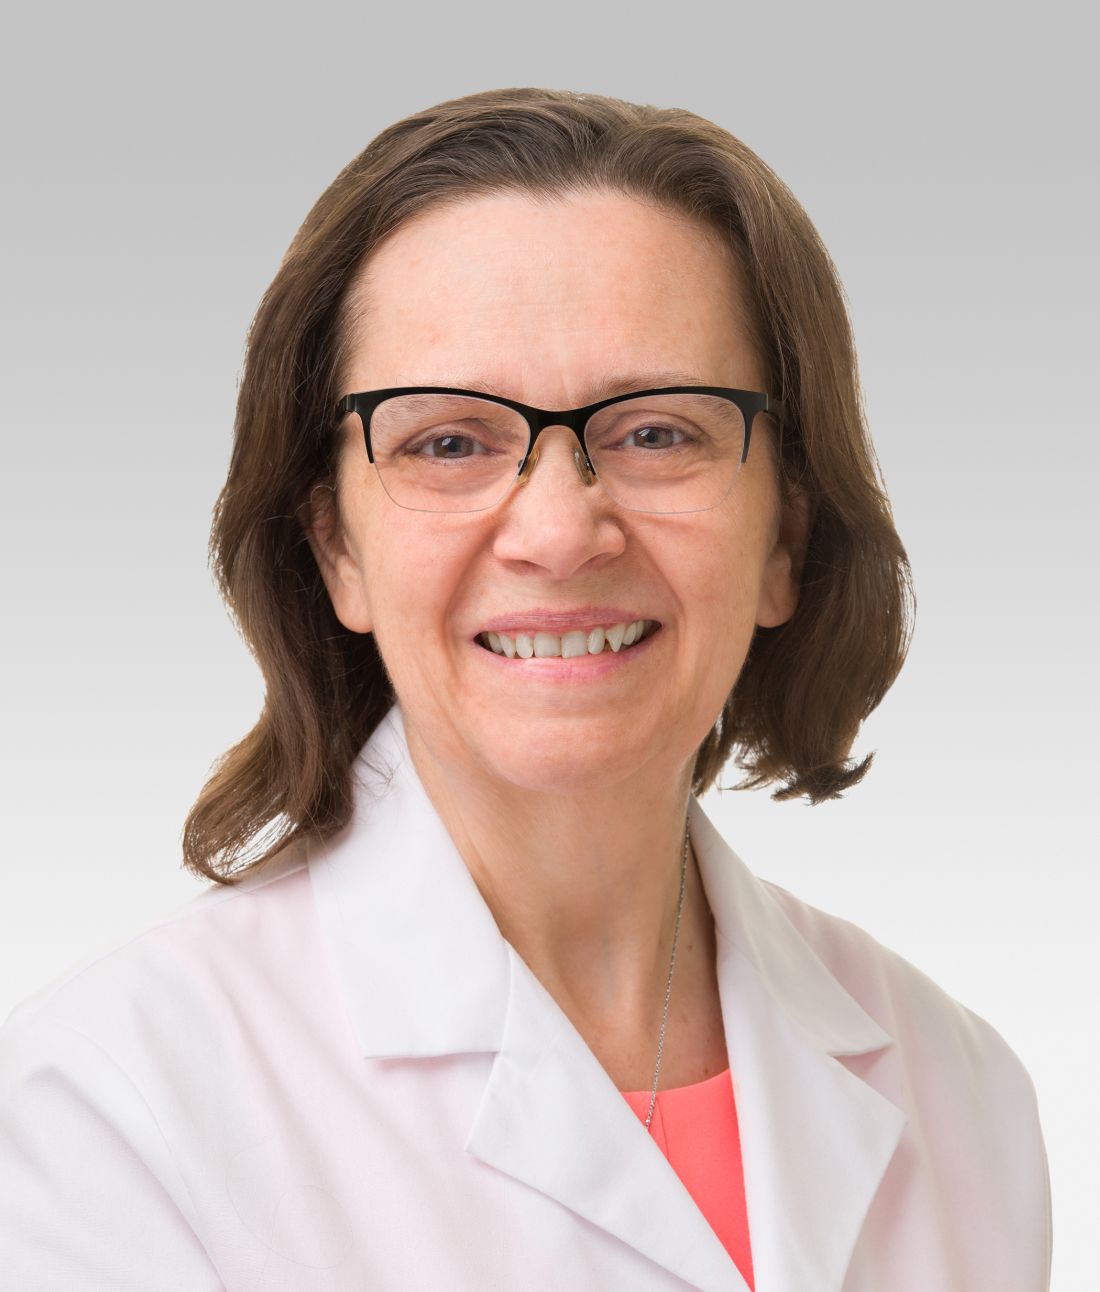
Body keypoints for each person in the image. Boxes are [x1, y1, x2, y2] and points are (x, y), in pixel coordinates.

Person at [0, 88, 1051, 1291]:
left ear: (784, 537)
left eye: (657, 432)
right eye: (448, 442)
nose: (557, 532)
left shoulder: (958, 1092)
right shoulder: (115, 1110)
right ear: (336, 547)